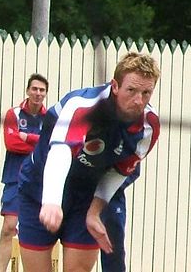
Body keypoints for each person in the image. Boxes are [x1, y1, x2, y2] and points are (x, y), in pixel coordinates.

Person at [17, 52, 160, 272]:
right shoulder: (84, 105)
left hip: (86, 195)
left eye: (146, 92)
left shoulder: (149, 126)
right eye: (131, 90)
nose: (138, 100)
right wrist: (52, 200)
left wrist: (94, 211)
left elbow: (120, 171)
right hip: (41, 188)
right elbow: (61, 150)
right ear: (115, 86)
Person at [0, 73, 49, 272]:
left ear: (45, 94)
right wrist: (37, 142)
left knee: (38, 231)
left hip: (40, 180)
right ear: (28, 90)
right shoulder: (14, 114)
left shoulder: (50, 117)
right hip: (15, 177)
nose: (38, 93)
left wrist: (26, 137)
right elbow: (11, 143)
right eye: (34, 89)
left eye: (42, 90)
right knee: (9, 227)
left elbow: (50, 146)